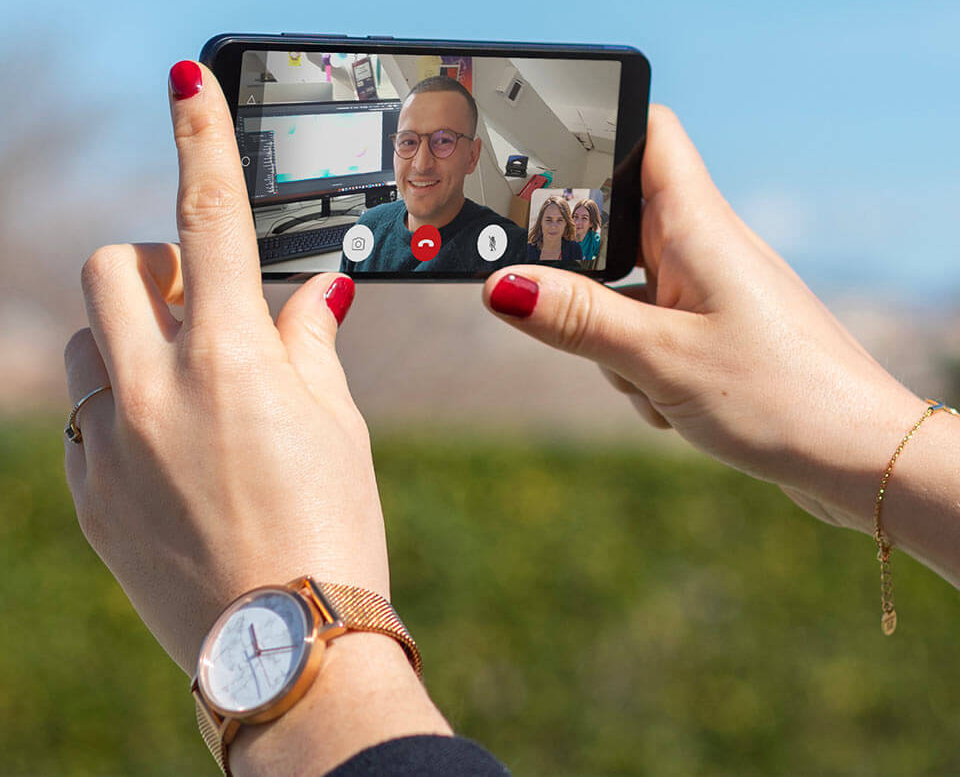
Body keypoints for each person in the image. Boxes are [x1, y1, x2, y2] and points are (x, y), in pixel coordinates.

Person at [64, 63, 960, 776]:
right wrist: (880, 445)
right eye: (407, 140)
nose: (420, 160)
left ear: (474, 152)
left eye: (444, 141)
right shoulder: (360, 233)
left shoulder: (507, 227)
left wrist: (294, 646)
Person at [339, 75, 526, 273]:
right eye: (408, 142)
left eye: (444, 141)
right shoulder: (367, 230)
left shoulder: (511, 253)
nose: (421, 165)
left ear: (472, 156)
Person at [526, 195, 582, 263]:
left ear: (566, 223)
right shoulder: (527, 250)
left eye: (559, 220)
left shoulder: (574, 249)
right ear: (541, 222)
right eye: (548, 220)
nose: (553, 226)